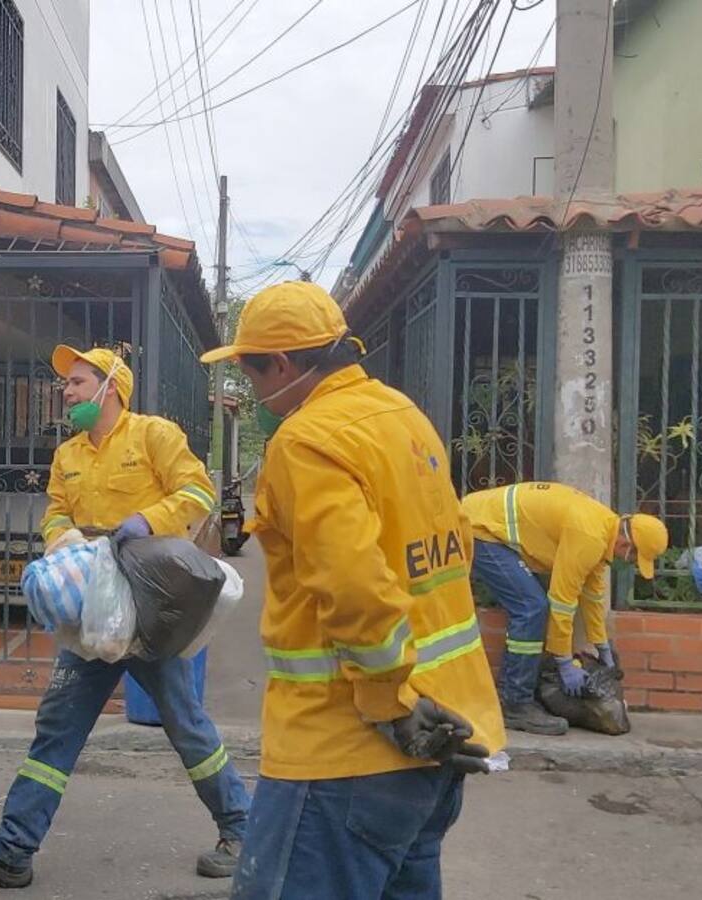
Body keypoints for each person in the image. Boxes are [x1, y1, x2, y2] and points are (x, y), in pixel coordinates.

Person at [200, 282, 505, 900]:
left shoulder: (307, 440)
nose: (252, 393)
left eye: (249, 373)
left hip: (348, 747)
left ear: (282, 364)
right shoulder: (402, 415)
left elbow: (355, 586)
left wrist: (389, 699)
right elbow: (450, 550)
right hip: (442, 735)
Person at [0, 345, 250, 888]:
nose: (67, 392)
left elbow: (198, 490)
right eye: (67, 384)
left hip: (151, 610)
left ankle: (244, 831)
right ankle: (12, 851)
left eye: (78, 383)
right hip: (95, 610)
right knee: (57, 729)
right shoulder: (69, 455)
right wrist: (63, 540)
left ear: (111, 389)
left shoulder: (153, 435)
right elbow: (56, 509)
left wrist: (147, 519)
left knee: (187, 726)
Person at [460, 482, 668, 735]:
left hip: (485, 522)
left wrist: (601, 645)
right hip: (480, 529)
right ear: (626, 545)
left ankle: (517, 695)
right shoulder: (589, 536)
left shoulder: (604, 530)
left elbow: (592, 596)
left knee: (532, 606)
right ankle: (515, 703)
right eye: (635, 558)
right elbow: (562, 601)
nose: (632, 563)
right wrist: (564, 662)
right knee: (530, 608)